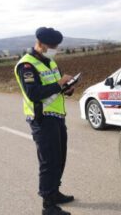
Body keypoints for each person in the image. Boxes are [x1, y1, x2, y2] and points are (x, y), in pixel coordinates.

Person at [14, 27, 75, 215]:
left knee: (60, 158)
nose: (55, 49)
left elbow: (55, 87)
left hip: (57, 116)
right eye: (52, 46)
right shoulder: (26, 65)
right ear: (40, 44)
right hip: (41, 118)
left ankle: (54, 192)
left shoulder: (50, 61)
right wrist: (58, 84)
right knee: (49, 161)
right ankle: (48, 206)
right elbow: (33, 94)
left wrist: (67, 88)